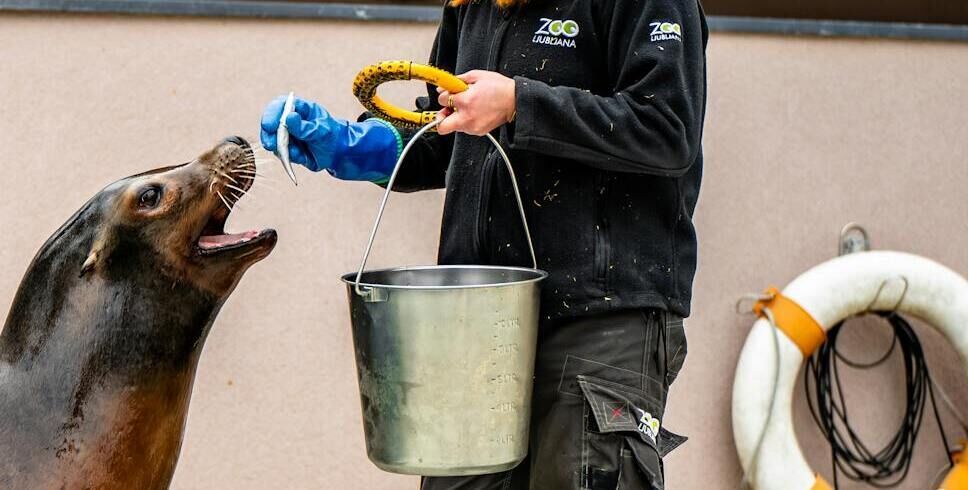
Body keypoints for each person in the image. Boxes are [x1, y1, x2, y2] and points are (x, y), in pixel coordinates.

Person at [259, 0, 706, 487]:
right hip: (480, 321)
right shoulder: (471, 5)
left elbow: (668, 127)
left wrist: (520, 103)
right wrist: (355, 144)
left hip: (601, 318)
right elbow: (448, 135)